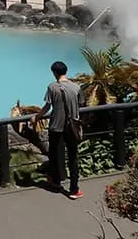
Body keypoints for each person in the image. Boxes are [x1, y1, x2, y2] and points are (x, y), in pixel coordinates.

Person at [31, 61, 85, 199]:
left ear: (54, 72)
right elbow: (81, 105)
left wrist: (37, 117)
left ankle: (56, 182)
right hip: (72, 127)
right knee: (73, 157)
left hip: (56, 126)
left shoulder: (52, 87)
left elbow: (47, 106)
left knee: (55, 155)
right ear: (66, 71)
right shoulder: (76, 87)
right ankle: (74, 190)